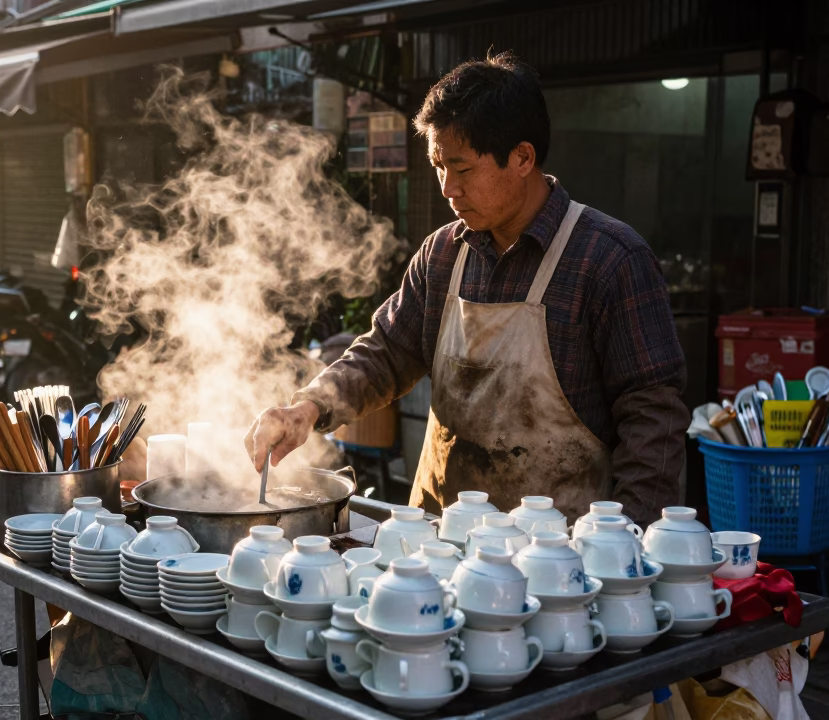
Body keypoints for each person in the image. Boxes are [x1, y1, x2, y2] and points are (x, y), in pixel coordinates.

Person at [244, 53, 689, 525]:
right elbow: (387, 351)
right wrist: (309, 407)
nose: (447, 188)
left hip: (561, 562)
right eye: (438, 166)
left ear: (522, 158)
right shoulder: (442, 255)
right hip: (437, 547)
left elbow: (652, 421)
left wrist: (630, 545)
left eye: (463, 169)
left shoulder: (610, 261)